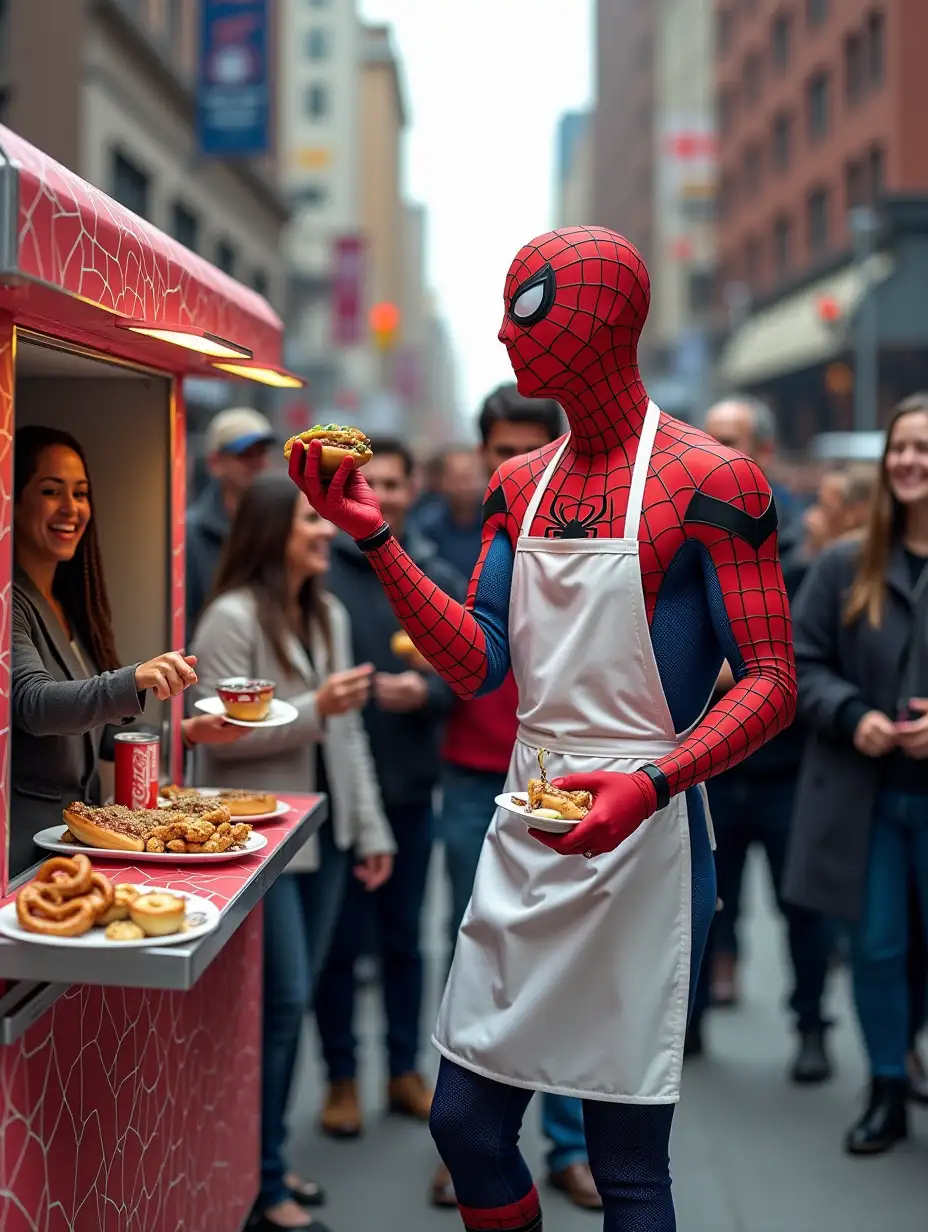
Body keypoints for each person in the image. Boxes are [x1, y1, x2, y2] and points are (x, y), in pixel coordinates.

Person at [289, 226, 795, 1231]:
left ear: (607, 319)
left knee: (625, 1162)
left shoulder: (713, 481)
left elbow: (772, 680)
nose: (503, 331)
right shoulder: (517, 485)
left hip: (645, 837)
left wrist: (653, 782)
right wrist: (375, 538)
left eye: (527, 306)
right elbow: (480, 659)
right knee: (467, 1123)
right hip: (528, 819)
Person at [190, 472, 395, 1231]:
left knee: (292, 1004)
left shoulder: (330, 613)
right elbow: (220, 740)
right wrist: (318, 708)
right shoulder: (229, 619)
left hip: (327, 839)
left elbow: (349, 740)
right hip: (259, 845)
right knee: (279, 1007)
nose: (325, 530)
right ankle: (261, 1181)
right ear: (273, 529)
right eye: (311, 518)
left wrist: (370, 829)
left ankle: (263, 1163)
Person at [434, 384, 602, 1213]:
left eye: (527, 448)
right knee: (473, 949)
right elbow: (464, 658)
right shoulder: (461, 536)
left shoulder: (590, 528)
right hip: (473, 773)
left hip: (566, 787)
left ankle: (569, 1145)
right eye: (500, 449)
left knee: (565, 966)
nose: (513, 466)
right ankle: (471, 1136)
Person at [784, 393, 928, 1156]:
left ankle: (908, 1054)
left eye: (923, 449)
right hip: (865, 797)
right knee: (874, 946)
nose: (909, 461)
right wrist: (850, 714)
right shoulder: (843, 565)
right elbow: (795, 666)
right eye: (900, 448)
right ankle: (885, 1088)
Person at [11, 425, 242, 879]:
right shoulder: (9, 600)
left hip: (74, 843)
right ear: (12, 501)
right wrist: (134, 678)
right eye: (50, 490)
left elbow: (93, 732)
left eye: (80, 493)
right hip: (23, 853)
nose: (71, 508)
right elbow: (33, 705)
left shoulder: (66, 606)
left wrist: (187, 732)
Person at [316, 437, 465, 1137]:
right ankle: (341, 1077)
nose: (385, 493)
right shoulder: (318, 570)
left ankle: (404, 1068)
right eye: (370, 481)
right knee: (340, 944)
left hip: (409, 783)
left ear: (414, 490)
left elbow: (469, 674)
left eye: (396, 483)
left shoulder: (433, 571)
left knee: (406, 940)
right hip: (336, 790)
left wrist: (427, 693)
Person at [687, 396, 832, 1084]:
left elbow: (796, 654)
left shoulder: (804, 541)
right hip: (711, 759)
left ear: (764, 451)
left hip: (786, 763)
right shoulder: (689, 527)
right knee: (705, 901)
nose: (714, 449)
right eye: (710, 437)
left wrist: (743, 668)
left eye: (731, 439)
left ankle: (811, 1027)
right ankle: (683, 1029)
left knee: (801, 904)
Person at [185, 406, 275, 637]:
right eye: (245, 454)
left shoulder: (281, 529)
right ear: (215, 462)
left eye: (262, 452)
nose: (258, 463)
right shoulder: (191, 535)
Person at [411, 446, 485, 580]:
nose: (464, 486)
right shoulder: (426, 525)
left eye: (470, 478)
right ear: (443, 481)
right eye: (458, 479)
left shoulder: (496, 524)